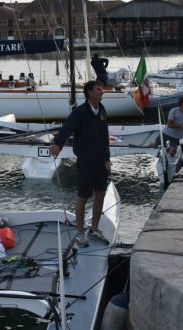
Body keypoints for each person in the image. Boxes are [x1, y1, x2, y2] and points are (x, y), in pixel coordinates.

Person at [50, 81, 111, 247]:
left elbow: (105, 135)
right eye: (98, 89)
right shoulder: (80, 112)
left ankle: (94, 229)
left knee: (101, 194)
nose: (102, 91)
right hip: (85, 161)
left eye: (101, 89)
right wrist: (58, 145)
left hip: (101, 161)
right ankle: (79, 232)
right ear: (89, 92)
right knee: (83, 197)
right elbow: (67, 129)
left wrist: (108, 158)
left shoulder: (102, 109)